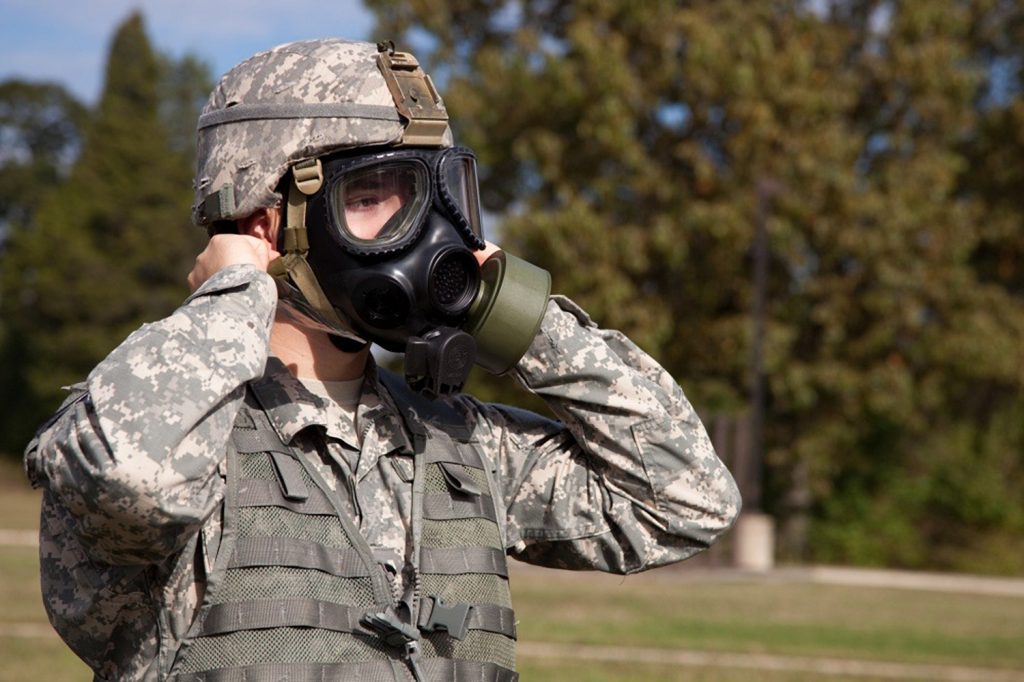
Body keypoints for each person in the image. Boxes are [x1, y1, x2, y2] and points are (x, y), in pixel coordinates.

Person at [24, 38, 741, 682]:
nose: (431, 235)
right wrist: (231, 296)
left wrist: (527, 323)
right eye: (372, 199)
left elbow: (683, 501)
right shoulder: (156, 434)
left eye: (439, 198)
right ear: (264, 222)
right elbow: (136, 482)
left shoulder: (459, 443)